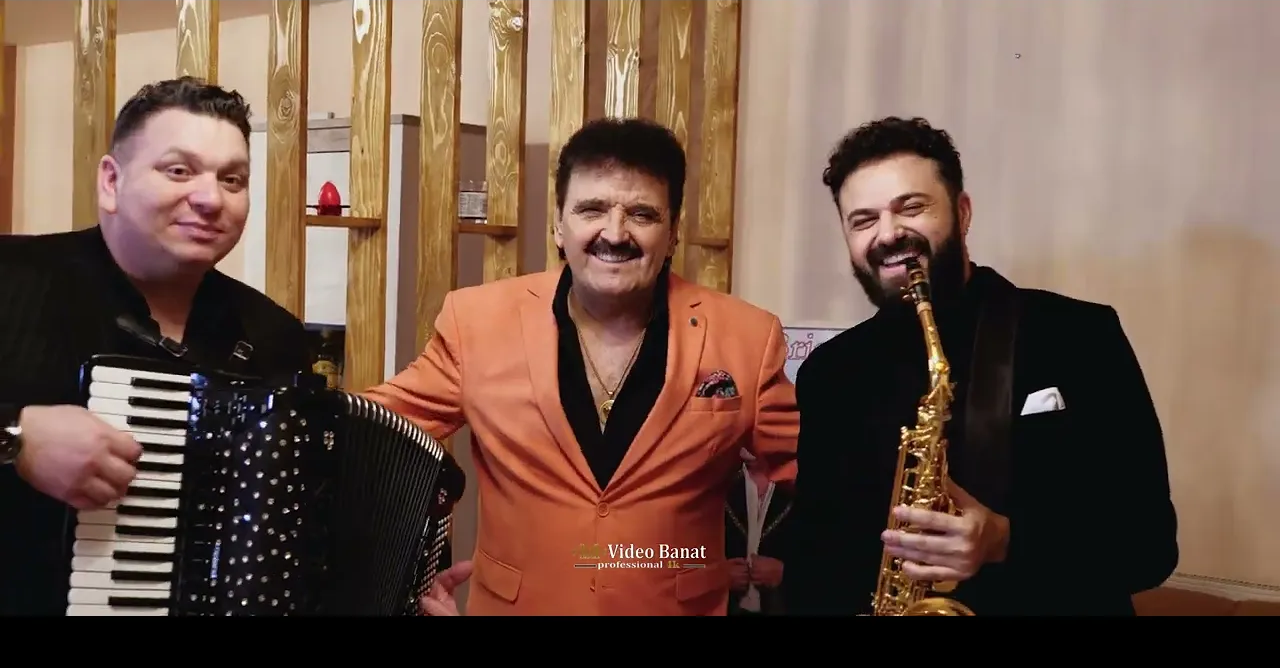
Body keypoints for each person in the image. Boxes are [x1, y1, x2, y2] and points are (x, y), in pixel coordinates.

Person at [364, 117, 798, 616]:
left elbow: (824, 478)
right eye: (592, 210)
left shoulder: (748, 336)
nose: (614, 233)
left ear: (674, 231)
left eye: (642, 214)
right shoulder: (476, 322)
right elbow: (372, 434)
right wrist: (407, 575)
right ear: (558, 224)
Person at [785, 117, 1179, 616]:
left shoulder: (1078, 334)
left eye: (912, 207)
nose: (888, 234)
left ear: (963, 212)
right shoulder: (829, 374)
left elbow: (1151, 546)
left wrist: (1006, 540)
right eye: (863, 220)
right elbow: (813, 564)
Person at [0, 77, 313, 615]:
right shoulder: (11, 280)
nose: (210, 199)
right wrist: (14, 436)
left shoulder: (273, 336)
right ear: (111, 181)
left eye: (232, 180)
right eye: (179, 170)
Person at [725, 448, 793, 615]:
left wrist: (787, 574)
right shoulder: (712, 485)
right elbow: (676, 560)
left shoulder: (812, 490)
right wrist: (714, 575)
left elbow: (837, 563)